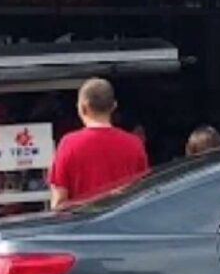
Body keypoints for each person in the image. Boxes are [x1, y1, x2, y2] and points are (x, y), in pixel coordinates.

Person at [48, 78, 150, 208]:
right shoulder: (135, 144)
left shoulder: (68, 144)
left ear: (82, 108)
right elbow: (143, 196)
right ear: (114, 106)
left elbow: (59, 204)